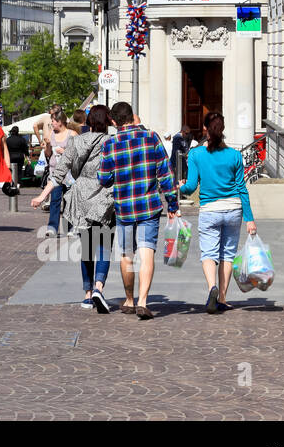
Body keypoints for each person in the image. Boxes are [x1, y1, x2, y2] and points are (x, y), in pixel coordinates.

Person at [98, 101, 178, 320]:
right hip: (149, 205)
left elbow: (103, 179)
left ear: (114, 122)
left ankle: (130, 299)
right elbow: (165, 173)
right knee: (146, 251)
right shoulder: (151, 137)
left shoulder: (111, 144)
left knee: (126, 255)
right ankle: (143, 300)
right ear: (133, 117)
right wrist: (172, 203)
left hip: (124, 207)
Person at [180, 112, 256, 313]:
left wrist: (180, 187)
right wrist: (249, 219)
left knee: (209, 253)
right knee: (227, 254)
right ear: (222, 129)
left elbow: (190, 186)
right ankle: (222, 297)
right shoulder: (234, 155)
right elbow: (241, 188)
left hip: (210, 209)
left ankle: (211, 287)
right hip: (233, 208)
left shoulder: (196, 154)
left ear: (205, 129)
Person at [50, 105, 115, 312]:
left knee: (87, 248)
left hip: (82, 197)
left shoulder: (76, 141)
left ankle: (87, 294)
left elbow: (60, 170)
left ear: (88, 122)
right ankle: (98, 287)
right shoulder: (112, 142)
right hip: (105, 196)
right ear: (108, 121)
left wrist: (43, 195)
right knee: (104, 246)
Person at [32, 106, 74, 235]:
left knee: (69, 201)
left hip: (69, 173)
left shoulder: (72, 134)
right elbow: (48, 154)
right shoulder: (51, 134)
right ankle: (52, 227)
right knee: (55, 200)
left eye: (54, 122)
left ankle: (70, 227)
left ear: (60, 121)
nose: (52, 124)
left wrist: (65, 151)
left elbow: (78, 153)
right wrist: (48, 145)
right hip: (55, 172)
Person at [5, 126, 29, 192]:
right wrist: (27, 155)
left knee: (10, 171)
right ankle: (18, 184)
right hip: (19, 157)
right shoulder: (22, 139)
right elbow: (25, 149)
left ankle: (11, 184)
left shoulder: (8, 140)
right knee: (19, 171)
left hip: (10, 157)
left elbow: (5, 149)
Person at [170, 124, 192, 191]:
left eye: (188, 133)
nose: (187, 135)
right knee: (177, 179)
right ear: (182, 131)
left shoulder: (184, 138)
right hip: (177, 161)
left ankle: (181, 192)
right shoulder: (177, 138)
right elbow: (176, 151)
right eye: (186, 133)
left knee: (183, 177)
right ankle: (177, 193)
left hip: (182, 160)